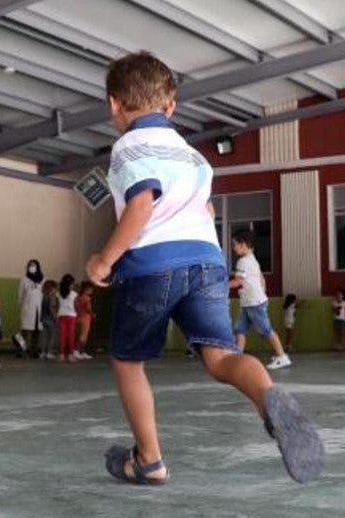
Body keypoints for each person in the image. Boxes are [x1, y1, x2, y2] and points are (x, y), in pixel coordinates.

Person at [85, 51, 323, 485]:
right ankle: (266, 396)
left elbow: (141, 204)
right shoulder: (195, 157)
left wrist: (104, 259)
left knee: (127, 361)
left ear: (114, 104)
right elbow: (207, 210)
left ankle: (150, 460)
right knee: (222, 357)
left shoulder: (127, 147)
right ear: (171, 106)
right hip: (206, 261)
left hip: (153, 265)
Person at [230, 229, 290, 370]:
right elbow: (261, 279)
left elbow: (238, 281)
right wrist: (262, 292)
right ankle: (237, 357)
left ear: (243, 244)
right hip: (249, 302)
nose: (233, 248)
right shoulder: (252, 259)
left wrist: (221, 286)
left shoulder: (243, 261)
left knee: (266, 330)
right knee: (240, 329)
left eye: (235, 245)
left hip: (253, 303)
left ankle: (282, 357)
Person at [16, 259, 44, 357]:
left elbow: (44, 294)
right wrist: (20, 307)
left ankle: (34, 351)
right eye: (30, 265)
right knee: (24, 331)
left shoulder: (42, 279)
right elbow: (20, 294)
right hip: (27, 308)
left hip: (38, 309)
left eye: (34, 265)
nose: (32, 267)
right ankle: (21, 350)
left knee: (36, 331)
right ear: (28, 267)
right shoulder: (24, 279)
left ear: (38, 266)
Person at [56, 274, 79, 363]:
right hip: (71, 316)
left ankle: (61, 355)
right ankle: (70, 355)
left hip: (61, 315)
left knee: (62, 336)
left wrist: (56, 314)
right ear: (71, 284)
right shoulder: (74, 294)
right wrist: (77, 313)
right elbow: (76, 305)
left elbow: (57, 306)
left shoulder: (58, 293)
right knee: (71, 336)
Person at [38, 279, 58, 360]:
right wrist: (55, 318)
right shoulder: (52, 296)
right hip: (50, 319)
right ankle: (49, 352)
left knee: (44, 337)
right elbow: (52, 308)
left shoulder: (42, 296)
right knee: (52, 336)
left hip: (43, 318)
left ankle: (42, 352)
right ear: (52, 288)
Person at [75, 282, 95, 360]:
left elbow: (76, 306)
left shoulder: (78, 297)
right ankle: (79, 351)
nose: (92, 291)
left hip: (78, 317)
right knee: (83, 336)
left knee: (78, 335)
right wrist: (92, 314)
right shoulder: (87, 298)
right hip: (85, 318)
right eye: (91, 289)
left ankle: (78, 351)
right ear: (87, 289)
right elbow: (88, 308)